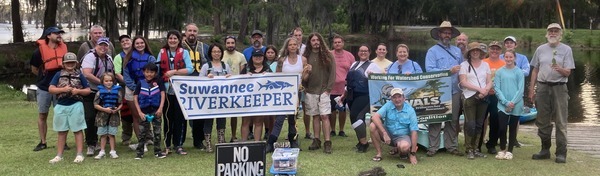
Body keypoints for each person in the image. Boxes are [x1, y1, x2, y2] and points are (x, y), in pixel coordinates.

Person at [529, 23, 575, 164]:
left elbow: (568, 71)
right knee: (542, 120)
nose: (553, 33)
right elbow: (535, 70)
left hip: (559, 88)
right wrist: (531, 89)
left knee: (561, 121)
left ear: (560, 34)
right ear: (547, 33)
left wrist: (559, 69)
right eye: (551, 31)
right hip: (542, 87)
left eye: (556, 31)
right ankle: (545, 150)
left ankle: (561, 152)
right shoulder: (540, 49)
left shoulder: (566, 49)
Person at [424, 21, 464, 157]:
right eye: (444, 32)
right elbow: (429, 70)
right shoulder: (432, 51)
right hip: (438, 91)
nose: (447, 35)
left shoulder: (457, 51)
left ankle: (451, 146)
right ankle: (433, 147)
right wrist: (448, 71)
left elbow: (463, 69)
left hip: (455, 90)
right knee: (435, 118)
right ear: (439, 34)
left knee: (453, 120)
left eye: (449, 33)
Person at [48, 52, 91, 164]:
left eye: (72, 62)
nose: (70, 64)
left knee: (77, 129)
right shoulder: (58, 74)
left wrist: (78, 91)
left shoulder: (80, 75)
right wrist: (62, 90)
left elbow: (87, 90)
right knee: (61, 131)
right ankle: (59, 155)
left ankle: (79, 154)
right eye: (68, 63)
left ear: (76, 63)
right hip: (61, 105)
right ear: (63, 64)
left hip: (76, 104)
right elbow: (51, 89)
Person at [265, 37, 307, 152]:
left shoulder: (302, 60)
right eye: (290, 45)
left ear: (298, 46)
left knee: (293, 118)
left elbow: (305, 78)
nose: (293, 46)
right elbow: (277, 77)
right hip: (284, 93)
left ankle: (293, 140)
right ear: (287, 47)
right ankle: (271, 141)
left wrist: (308, 72)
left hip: (296, 92)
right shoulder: (282, 60)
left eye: (295, 44)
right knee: (279, 118)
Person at [30, 26, 68, 151]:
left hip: (60, 88)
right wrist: (44, 78)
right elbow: (34, 69)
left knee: (62, 114)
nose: (59, 35)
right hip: (44, 88)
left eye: (60, 33)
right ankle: (43, 142)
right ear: (48, 36)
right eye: (56, 33)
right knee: (42, 115)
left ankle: (63, 142)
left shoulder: (64, 49)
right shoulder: (39, 52)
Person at [157, 30, 193, 155]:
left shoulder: (185, 53)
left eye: (175, 38)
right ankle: (167, 144)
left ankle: (178, 144)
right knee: (167, 118)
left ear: (179, 40)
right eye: (170, 38)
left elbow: (190, 69)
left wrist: (174, 72)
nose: (172, 40)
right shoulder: (162, 53)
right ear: (167, 40)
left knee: (180, 118)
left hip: (180, 91)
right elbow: (157, 71)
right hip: (166, 92)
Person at [343, 44, 383, 153]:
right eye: (361, 51)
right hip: (352, 95)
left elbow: (381, 81)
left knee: (357, 116)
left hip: (365, 95)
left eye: (366, 51)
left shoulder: (373, 66)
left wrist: (372, 76)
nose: (363, 53)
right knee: (353, 118)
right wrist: (343, 95)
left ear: (369, 53)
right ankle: (360, 141)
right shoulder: (354, 64)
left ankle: (364, 143)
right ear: (358, 52)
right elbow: (349, 82)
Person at [81, 37, 115, 156]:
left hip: (104, 93)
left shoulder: (109, 58)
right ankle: (91, 143)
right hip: (91, 91)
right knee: (90, 117)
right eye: (101, 45)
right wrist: (102, 83)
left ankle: (103, 141)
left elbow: (112, 74)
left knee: (102, 116)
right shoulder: (90, 57)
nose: (103, 47)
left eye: (106, 45)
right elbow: (87, 73)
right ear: (96, 45)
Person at [303, 32, 336, 154]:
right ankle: (316, 140)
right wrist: (305, 86)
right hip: (311, 90)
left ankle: (327, 142)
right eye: (313, 40)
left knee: (325, 116)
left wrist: (328, 89)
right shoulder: (305, 56)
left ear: (320, 41)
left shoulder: (328, 55)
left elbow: (333, 73)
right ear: (310, 42)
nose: (316, 42)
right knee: (315, 116)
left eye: (317, 40)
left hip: (324, 91)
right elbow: (303, 75)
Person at [123, 36, 156, 150]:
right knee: (136, 116)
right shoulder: (128, 58)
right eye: (137, 43)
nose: (140, 45)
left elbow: (154, 73)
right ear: (134, 45)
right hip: (132, 89)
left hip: (147, 89)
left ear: (145, 44)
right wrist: (135, 88)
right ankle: (141, 143)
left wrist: (145, 88)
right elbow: (126, 76)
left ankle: (149, 138)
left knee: (147, 115)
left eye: (142, 43)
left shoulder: (150, 58)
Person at [459, 42, 492, 159]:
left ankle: (476, 148)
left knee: (479, 124)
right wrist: (479, 89)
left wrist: (486, 90)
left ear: (480, 52)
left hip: (483, 97)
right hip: (469, 96)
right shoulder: (464, 65)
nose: (475, 52)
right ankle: (469, 149)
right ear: (469, 53)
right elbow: (463, 82)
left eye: (477, 50)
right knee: (470, 124)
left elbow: (489, 81)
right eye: (473, 50)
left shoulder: (486, 65)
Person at [369, 88, 418, 165]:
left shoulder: (410, 110)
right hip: (388, 134)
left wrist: (413, 154)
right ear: (391, 99)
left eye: (399, 97)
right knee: (372, 125)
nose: (397, 99)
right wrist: (384, 133)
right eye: (394, 97)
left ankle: (402, 151)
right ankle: (379, 154)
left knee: (404, 147)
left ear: (404, 98)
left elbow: (414, 132)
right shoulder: (388, 105)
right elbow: (375, 117)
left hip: (402, 136)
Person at [199, 44, 232, 152]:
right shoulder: (206, 66)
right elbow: (198, 82)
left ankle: (221, 141)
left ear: (221, 53)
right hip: (209, 99)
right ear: (210, 53)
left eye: (218, 51)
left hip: (222, 99)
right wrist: (206, 78)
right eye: (214, 51)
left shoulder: (225, 66)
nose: (216, 53)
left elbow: (232, 82)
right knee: (208, 120)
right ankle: (208, 143)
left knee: (222, 120)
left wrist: (229, 77)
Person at [493, 49, 524, 160]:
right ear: (504, 58)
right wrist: (505, 102)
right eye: (506, 57)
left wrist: (512, 102)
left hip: (516, 104)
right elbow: (496, 88)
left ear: (514, 58)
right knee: (502, 128)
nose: (508, 59)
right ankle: (502, 149)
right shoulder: (499, 72)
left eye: (511, 57)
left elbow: (520, 89)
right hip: (503, 104)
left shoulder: (519, 72)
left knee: (512, 128)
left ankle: (510, 150)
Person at [133, 63, 166, 159]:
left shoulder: (159, 81)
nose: (149, 74)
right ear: (143, 72)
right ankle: (140, 153)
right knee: (142, 133)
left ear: (155, 73)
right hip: (144, 111)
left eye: (152, 72)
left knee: (157, 132)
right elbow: (135, 97)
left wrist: (160, 108)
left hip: (156, 111)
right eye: (147, 72)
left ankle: (158, 151)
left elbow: (163, 95)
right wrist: (139, 112)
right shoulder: (140, 83)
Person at [240, 49, 272, 141]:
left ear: (263, 58)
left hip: (261, 100)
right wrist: (244, 76)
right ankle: (243, 142)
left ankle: (257, 142)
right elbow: (238, 82)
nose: (258, 58)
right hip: (247, 100)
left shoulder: (267, 69)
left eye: (260, 56)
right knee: (245, 121)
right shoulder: (246, 69)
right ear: (252, 57)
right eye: (255, 56)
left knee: (259, 121)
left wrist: (268, 76)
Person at [481, 41, 506, 154]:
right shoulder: (483, 62)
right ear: (489, 50)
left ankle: (491, 144)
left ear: (500, 51)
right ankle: (477, 143)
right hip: (484, 94)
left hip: (497, 96)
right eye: (492, 49)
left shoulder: (504, 64)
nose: (494, 51)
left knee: (495, 120)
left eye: (497, 49)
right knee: (480, 119)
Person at [221, 35, 247, 143]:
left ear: (235, 44)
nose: (230, 45)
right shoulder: (220, 55)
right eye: (228, 43)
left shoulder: (241, 56)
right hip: (222, 88)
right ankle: (221, 136)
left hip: (236, 88)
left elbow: (242, 72)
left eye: (232, 43)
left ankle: (233, 135)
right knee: (221, 113)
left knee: (234, 114)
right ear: (225, 44)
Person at [112, 34, 137, 145]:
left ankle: (147, 136)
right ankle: (126, 137)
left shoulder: (137, 54)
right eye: (122, 41)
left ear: (131, 42)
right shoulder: (118, 57)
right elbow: (117, 74)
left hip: (139, 87)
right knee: (126, 113)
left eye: (127, 40)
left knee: (142, 111)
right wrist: (129, 83)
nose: (125, 42)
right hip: (124, 87)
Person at [329, 34, 354, 137]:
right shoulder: (329, 54)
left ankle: (341, 130)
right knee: (332, 110)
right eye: (335, 42)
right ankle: (332, 130)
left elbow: (353, 71)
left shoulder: (349, 56)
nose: (337, 44)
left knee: (342, 109)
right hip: (331, 87)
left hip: (344, 88)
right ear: (333, 44)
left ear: (343, 43)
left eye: (339, 42)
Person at [93, 72, 123, 159]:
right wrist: (104, 109)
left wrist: (117, 109)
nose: (109, 82)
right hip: (102, 116)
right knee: (103, 134)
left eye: (110, 81)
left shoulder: (117, 92)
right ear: (102, 82)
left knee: (111, 134)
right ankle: (102, 151)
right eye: (106, 81)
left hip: (113, 116)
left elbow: (120, 103)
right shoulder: (99, 92)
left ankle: (113, 151)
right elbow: (95, 104)